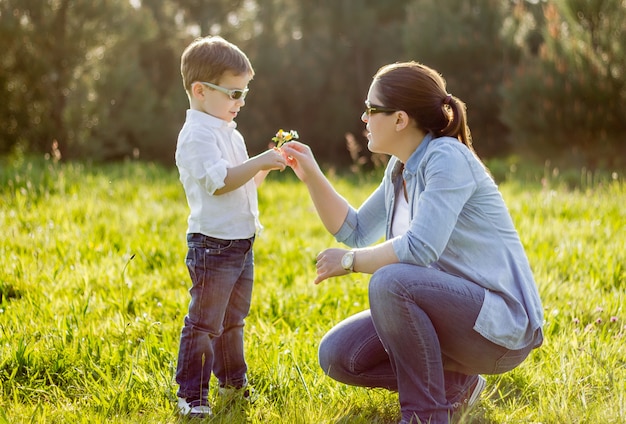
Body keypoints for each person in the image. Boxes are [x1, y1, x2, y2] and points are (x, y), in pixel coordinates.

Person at [280, 61, 544, 424]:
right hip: (448, 314)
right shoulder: (400, 168)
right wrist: (310, 174)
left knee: (390, 281)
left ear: (400, 119)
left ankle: (425, 415)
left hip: (497, 329)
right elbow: (354, 230)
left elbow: (420, 249)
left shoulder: (446, 159)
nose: (363, 118)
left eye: (371, 110)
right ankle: (456, 388)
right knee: (338, 355)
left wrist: (348, 262)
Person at [174, 35, 286, 418]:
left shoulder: (229, 132)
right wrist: (258, 161)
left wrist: (266, 166)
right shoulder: (196, 136)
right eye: (234, 93)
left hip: (240, 242)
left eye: (244, 94)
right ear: (200, 91)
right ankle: (192, 394)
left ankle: (233, 383)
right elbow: (219, 181)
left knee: (233, 321)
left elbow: (245, 184)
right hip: (213, 245)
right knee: (205, 323)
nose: (241, 102)